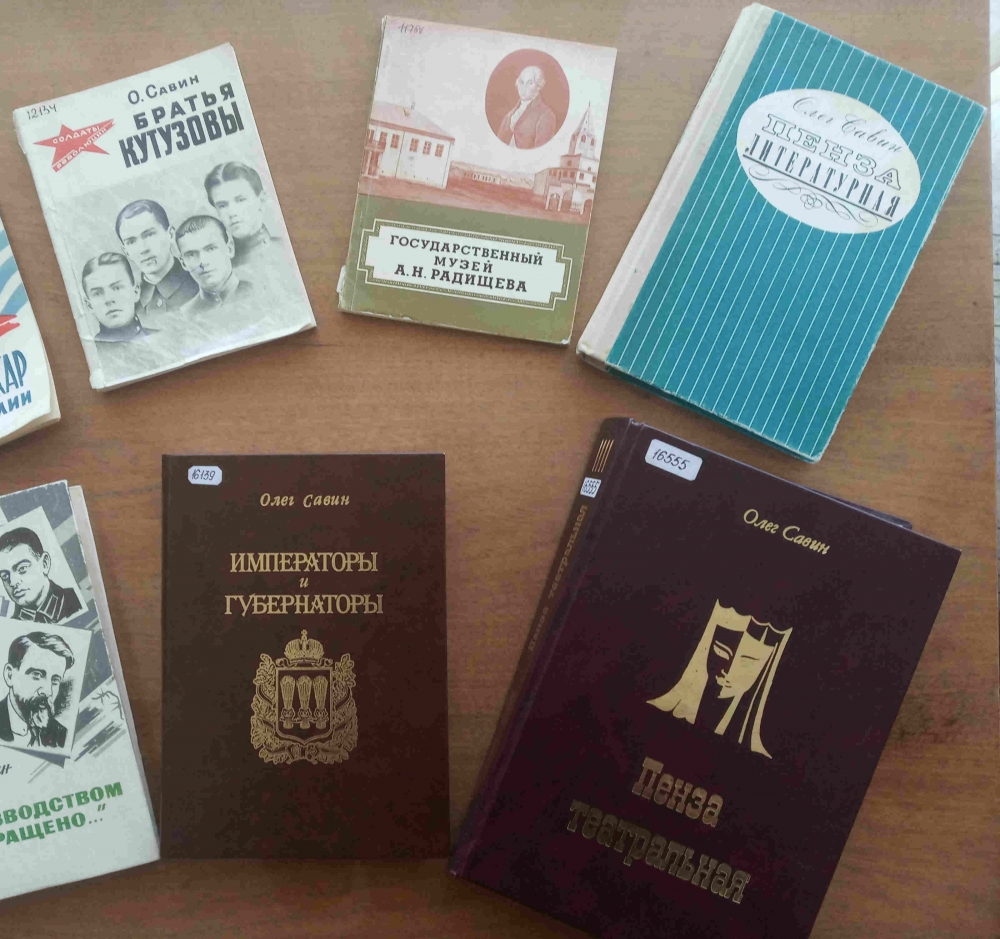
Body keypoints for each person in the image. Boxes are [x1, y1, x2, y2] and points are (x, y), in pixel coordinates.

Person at [115, 199, 198, 316]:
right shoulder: (127, 308)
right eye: (131, 242)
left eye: (149, 235)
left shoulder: (201, 286)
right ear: (126, 252)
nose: (143, 249)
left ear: (171, 234)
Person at [0, 632, 74, 748]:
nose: (48, 692)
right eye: (37, 675)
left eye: (55, 680)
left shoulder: (62, 736)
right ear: (10, 675)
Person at [204, 162, 282, 269]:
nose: (232, 212)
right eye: (222, 205)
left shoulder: (286, 250)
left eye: (241, 200)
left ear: (262, 200)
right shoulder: (217, 268)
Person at [0, 528, 82, 624]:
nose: (13, 582)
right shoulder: (10, 627)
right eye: (5, 576)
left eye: (22, 569)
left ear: (44, 563)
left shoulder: (77, 601)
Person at [175, 215, 253, 314]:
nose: (203, 261)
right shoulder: (185, 314)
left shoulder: (260, 294)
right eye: (191, 254)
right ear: (183, 263)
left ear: (230, 249)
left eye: (210, 249)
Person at [80, 252, 157, 342]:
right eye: (97, 293)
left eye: (117, 288)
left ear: (135, 292)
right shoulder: (88, 348)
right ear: (90, 306)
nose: (108, 299)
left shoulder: (161, 339)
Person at [498, 65, 557, 149]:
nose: (524, 87)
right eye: (521, 82)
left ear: (539, 86)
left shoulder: (546, 115)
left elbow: (541, 151)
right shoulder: (511, 114)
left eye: (530, 83)